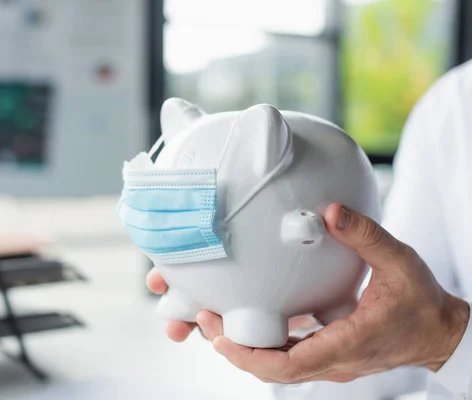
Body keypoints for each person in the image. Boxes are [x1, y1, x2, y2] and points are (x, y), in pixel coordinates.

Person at [146, 59, 472, 400]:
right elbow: (411, 298)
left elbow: (424, 325)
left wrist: (446, 337)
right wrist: (317, 344)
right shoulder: (449, 106)